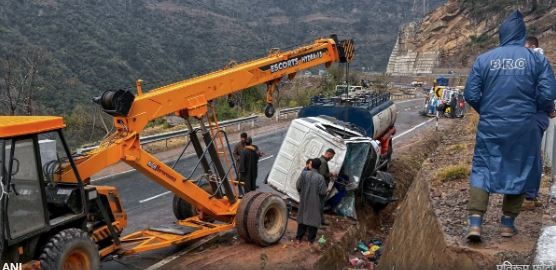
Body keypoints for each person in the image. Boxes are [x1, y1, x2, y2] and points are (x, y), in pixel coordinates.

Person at [463, 11, 556, 242]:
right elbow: (548, 94)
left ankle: (475, 224)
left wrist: (488, 111)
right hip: (523, 124)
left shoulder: (484, 59)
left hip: (491, 124)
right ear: (522, 33)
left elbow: (471, 94)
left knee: (483, 166)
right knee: (519, 167)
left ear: (501, 34)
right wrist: (535, 110)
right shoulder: (536, 59)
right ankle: (507, 224)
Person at [523, 36, 556, 209]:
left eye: (525, 46)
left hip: (533, 115)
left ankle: (529, 197)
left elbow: (547, 92)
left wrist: (548, 108)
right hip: (536, 115)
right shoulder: (538, 63)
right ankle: (528, 195)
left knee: (530, 155)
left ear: (533, 46)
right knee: (530, 154)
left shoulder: (536, 62)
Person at [296, 158, 327, 243]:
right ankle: (310, 240)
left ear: (311, 165)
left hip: (304, 200)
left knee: (302, 218)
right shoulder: (320, 178)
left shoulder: (303, 174)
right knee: (314, 219)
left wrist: (302, 194)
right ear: (319, 167)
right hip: (315, 201)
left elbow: (298, 186)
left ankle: (299, 238)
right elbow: (322, 192)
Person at [318, 149, 336, 226]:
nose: (331, 158)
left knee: (319, 204)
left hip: (320, 186)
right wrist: (331, 174)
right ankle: (319, 221)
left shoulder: (320, 160)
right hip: (321, 186)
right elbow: (322, 175)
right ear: (329, 154)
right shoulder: (323, 162)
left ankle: (320, 220)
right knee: (321, 204)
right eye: (332, 156)